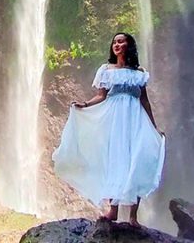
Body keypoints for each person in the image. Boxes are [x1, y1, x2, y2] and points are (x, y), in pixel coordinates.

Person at [52, 32, 166, 227]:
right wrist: (85, 104)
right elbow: (101, 96)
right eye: (114, 42)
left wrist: (153, 127)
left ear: (129, 45)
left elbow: (144, 100)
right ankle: (113, 210)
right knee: (114, 159)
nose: (116, 44)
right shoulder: (106, 70)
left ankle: (133, 216)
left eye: (121, 41)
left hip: (135, 119)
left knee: (136, 159)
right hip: (114, 119)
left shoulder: (139, 73)